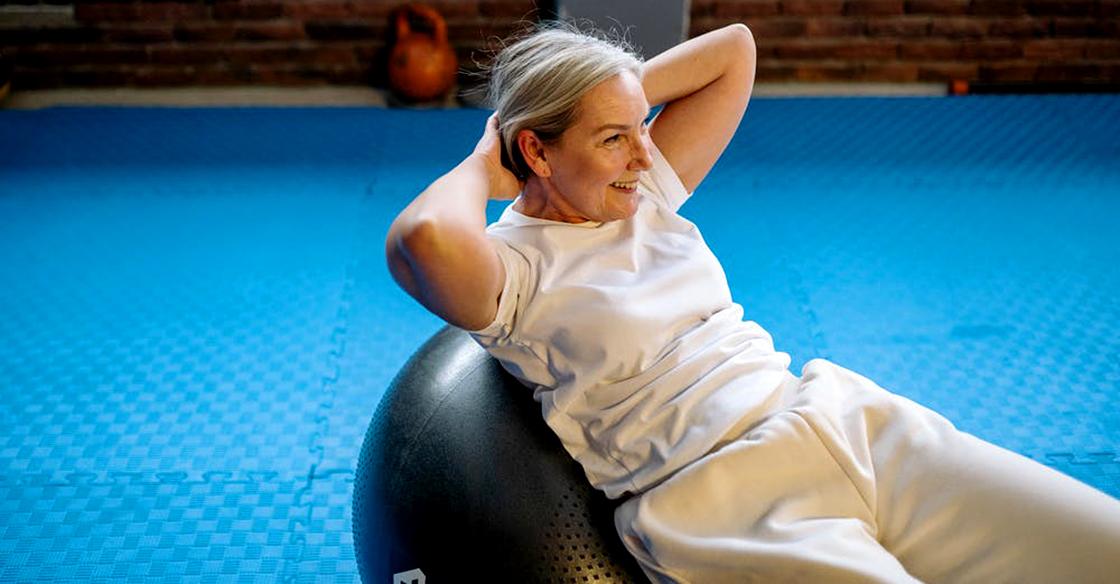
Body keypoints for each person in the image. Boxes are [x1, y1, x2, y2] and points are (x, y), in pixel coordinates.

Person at [386, 20, 1120, 583]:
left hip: (839, 420)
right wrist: (487, 162)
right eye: (614, 139)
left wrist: (608, 98)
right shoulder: (512, 271)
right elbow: (422, 234)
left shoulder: (640, 192)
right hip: (724, 502)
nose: (643, 154)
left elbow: (735, 50)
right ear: (537, 152)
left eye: (640, 128)